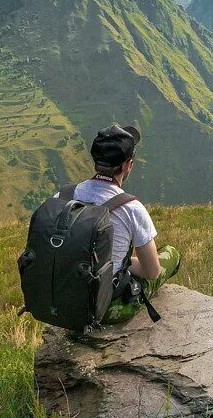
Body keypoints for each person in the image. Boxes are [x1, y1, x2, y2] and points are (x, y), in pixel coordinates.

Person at [66, 124, 181, 323]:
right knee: (172, 254)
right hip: (104, 309)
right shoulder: (131, 208)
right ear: (129, 165)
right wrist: (122, 263)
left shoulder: (64, 195)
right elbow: (152, 272)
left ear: (96, 162)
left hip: (64, 298)